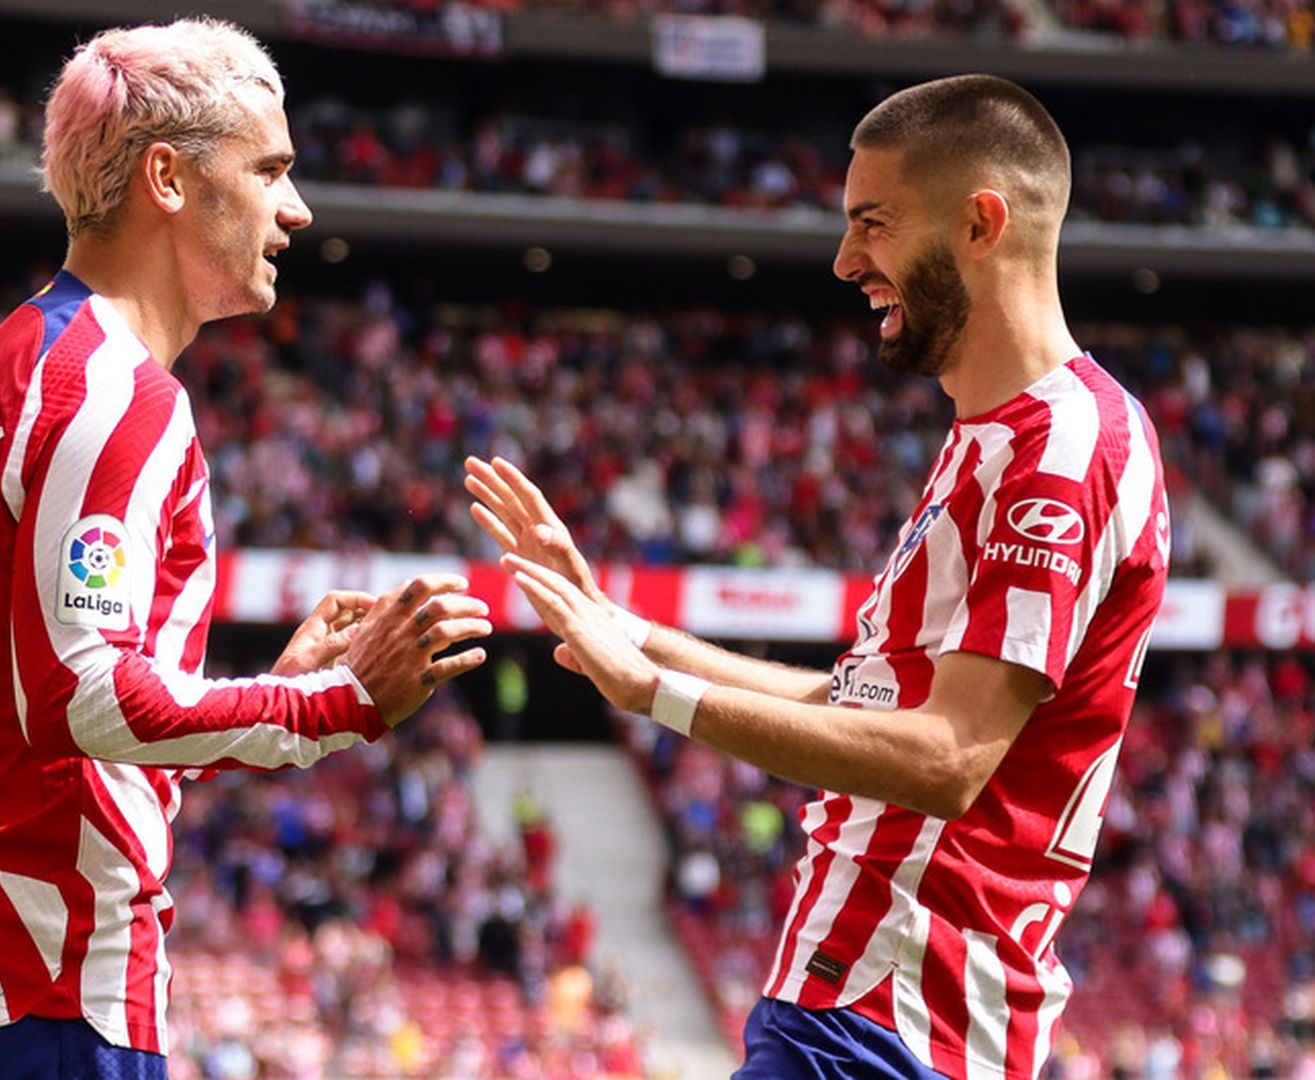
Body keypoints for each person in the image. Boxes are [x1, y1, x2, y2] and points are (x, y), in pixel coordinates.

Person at [467, 73, 1168, 1080]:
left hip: (895, 1015)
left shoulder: (1060, 452)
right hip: (853, 1006)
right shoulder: (996, 440)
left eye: (873, 224)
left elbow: (947, 757)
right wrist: (632, 634)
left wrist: (656, 692)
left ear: (981, 224)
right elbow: (863, 706)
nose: (846, 261)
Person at [0, 19, 491, 1079]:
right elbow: (82, 695)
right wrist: (336, 705)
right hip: (34, 978)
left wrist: (268, 686)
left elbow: (44, 716)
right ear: (168, 179)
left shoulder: (2, 363)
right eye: (269, 169)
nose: (296, 208)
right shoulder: (116, 390)